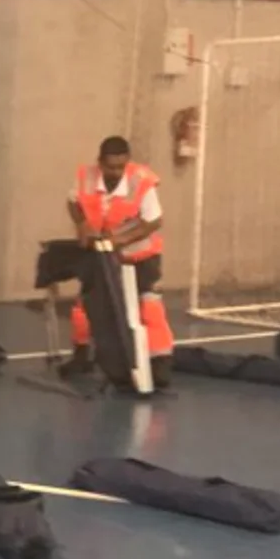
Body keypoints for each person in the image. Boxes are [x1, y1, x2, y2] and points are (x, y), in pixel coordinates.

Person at [62, 135, 174, 387]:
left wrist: (119, 241)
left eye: (120, 167)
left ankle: (160, 364)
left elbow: (153, 221)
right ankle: (82, 356)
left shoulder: (142, 182)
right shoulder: (86, 177)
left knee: (150, 309)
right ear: (100, 162)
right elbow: (73, 202)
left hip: (141, 256)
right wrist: (82, 224)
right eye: (110, 167)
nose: (116, 172)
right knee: (85, 305)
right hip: (101, 255)